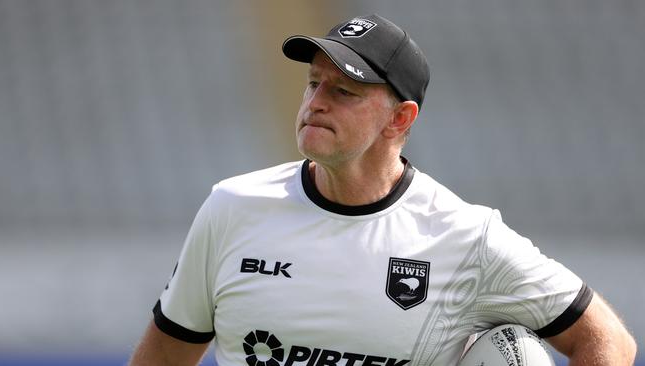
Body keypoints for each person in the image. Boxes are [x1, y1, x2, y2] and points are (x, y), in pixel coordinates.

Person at [129, 14, 636, 366]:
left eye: (343, 91)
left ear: (400, 118)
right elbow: (167, 353)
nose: (316, 102)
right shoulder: (231, 208)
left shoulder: (466, 237)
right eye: (313, 83)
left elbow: (607, 339)